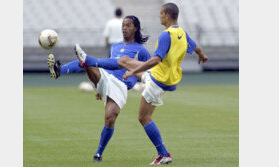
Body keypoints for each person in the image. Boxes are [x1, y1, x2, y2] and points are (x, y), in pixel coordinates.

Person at [75, 3, 208, 165]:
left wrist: (132, 71)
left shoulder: (166, 35)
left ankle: (163, 154)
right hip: (168, 78)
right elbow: (197, 48)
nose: (159, 16)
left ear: (166, 15)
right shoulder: (182, 32)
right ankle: (98, 74)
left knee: (143, 117)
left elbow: (155, 60)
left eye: (161, 13)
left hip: (158, 80)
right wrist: (202, 56)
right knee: (124, 61)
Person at [49, 15, 150, 162]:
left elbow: (145, 70)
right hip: (105, 78)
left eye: (128, 25)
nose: (124, 28)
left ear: (135, 28)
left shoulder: (141, 51)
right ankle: (60, 71)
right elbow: (108, 65)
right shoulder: (115, 46)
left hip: (121, 85)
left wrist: (136, 77)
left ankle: (98, 153)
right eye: (123, 25)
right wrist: (99, 88)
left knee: (110, 119)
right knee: (88, 63)